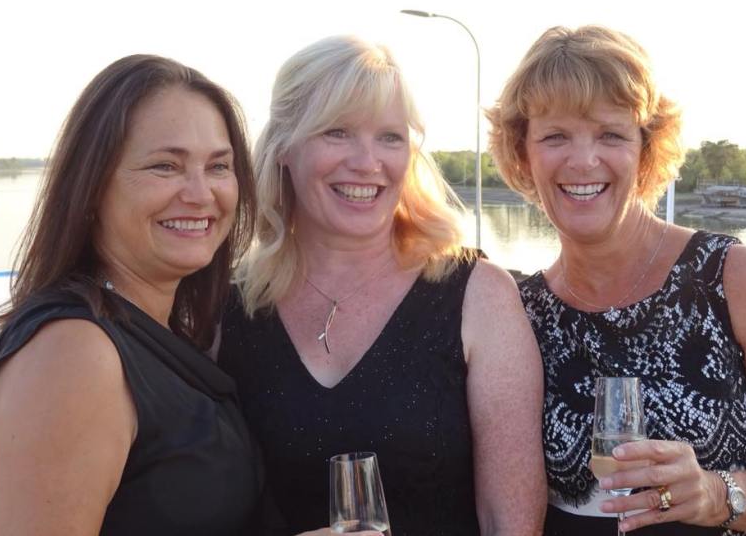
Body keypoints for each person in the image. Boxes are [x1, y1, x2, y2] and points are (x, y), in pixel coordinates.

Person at [0, 54, 322, 536]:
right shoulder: (72, 354)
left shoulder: (155, 329)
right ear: (92, 186)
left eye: (218, 166)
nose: (201, 194)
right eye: (165, 166)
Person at [218, 35, 546, 535]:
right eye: (337, 132)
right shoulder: (228, 308)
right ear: (284, 146)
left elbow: (511, 524)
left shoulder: (478, 296)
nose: (367, 162)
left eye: (390, 137)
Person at [486, 24, 746, 535]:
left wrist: (718, 494)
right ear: (523, 154)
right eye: (555, 136)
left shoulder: (736, 279)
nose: (583, 160)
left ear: (646, 149)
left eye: (610, 134)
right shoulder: (515, 313)